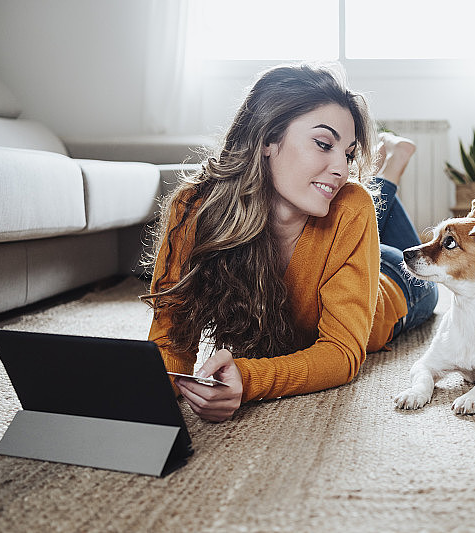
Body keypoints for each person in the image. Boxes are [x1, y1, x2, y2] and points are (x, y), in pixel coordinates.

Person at [143, 63, 438, 422]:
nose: (342, 169)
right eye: (323, 144)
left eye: (348, 154)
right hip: (350, 250)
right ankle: (390, 170)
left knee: (392, 231)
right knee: (360, 207)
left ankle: (393, 167)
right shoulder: (195, 208)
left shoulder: (350, 205)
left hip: (397, 285)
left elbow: (341, 354)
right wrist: (157, 383)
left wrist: (248, 380)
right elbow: (170, 342)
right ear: (267, 139)